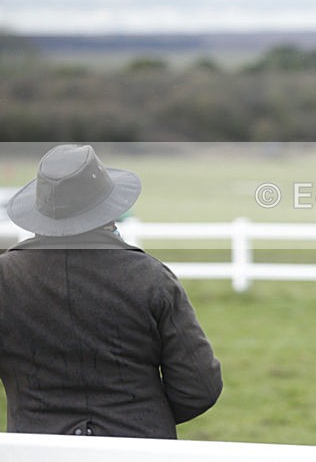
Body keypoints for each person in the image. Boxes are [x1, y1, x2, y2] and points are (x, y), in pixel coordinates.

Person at [0, 144, 222, 438]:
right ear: (108, 209)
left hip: (34, 447)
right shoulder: (151, 277)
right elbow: (200, 387)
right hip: (138, 448)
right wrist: (141, 416)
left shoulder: (5, 278)